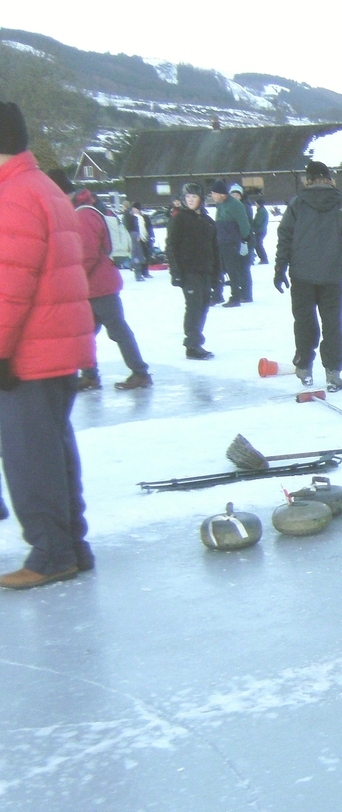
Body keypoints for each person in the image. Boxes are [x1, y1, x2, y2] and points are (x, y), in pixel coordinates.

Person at [0, 102, 96, 588]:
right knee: (53, 450)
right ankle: (71, 545)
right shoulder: (43, 188)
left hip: (28, 354)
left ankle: (52, 553)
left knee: (29, 457)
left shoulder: (11, 196)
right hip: (56, 348)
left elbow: (7, 285)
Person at [273, 160, 342, 391]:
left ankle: (304, 367)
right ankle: (332, 372)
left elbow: (285, 238)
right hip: (333, 276)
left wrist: (280, 268)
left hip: (302, 276)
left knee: (304, 322)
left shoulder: (297, 205)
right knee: (332, 324)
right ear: (329, 179)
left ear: (308, 180)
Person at [46, 170, 152, 391]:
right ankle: (91, 375)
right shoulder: (78, 209)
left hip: (100, 287)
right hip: (94, 287)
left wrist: (71, 279)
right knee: (86, 334)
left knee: (117, 331)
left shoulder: (82, 214)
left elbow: (87, 254)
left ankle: (140, 373)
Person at [166, 183, 222, 360]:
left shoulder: (207, 221)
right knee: (194, 306)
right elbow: (171, 247)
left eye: (194, 197)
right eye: (187, 197)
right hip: (188, 271)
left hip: (205, 269)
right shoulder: (179, 219)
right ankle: (192, 344)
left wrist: (217, 275)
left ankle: (196, 341)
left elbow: (215, 249)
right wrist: (175, 272)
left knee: (204, 305)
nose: (190, 200)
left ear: (200, 200)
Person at [210, 179, 251, 307]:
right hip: (220, 241)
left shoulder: (236, 205)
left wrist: (243, 239)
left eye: (214, 193)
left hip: (231, 242)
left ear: (222, 194)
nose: (212, 196)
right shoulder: (220, 204)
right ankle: (217, 295)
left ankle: (236, 297)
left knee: (232, 270)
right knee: (218, 269)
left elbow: (244, 225)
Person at [228, 184, 254, 302]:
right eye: (232, 194)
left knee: (244, 268)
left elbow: (244, 225)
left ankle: (246, 294)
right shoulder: (231, 206)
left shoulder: (244, 207)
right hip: (235, 241)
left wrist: (244, 239)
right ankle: (242, 292)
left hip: (244, 241)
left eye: (237, 194)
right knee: (238, 268)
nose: (235, 196)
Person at [121, 200, 148, 281]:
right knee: (137, 254)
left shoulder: (127, 214)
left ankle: (138, 274)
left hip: (131, 235)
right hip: (135, 234)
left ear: (124, 206)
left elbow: (126, 227)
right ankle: (139, 271)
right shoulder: (132, 214)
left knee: (135, 254)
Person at [252, 198, 269, 264]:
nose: (255, 204)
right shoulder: (262, 210)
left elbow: (257, 222)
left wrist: (252, 224)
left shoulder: (261, 211)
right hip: (261, 230)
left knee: (258, 245)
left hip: (260, 231)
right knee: (257, 244)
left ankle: (264, 259)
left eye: (256, 203)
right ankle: (263, 258)